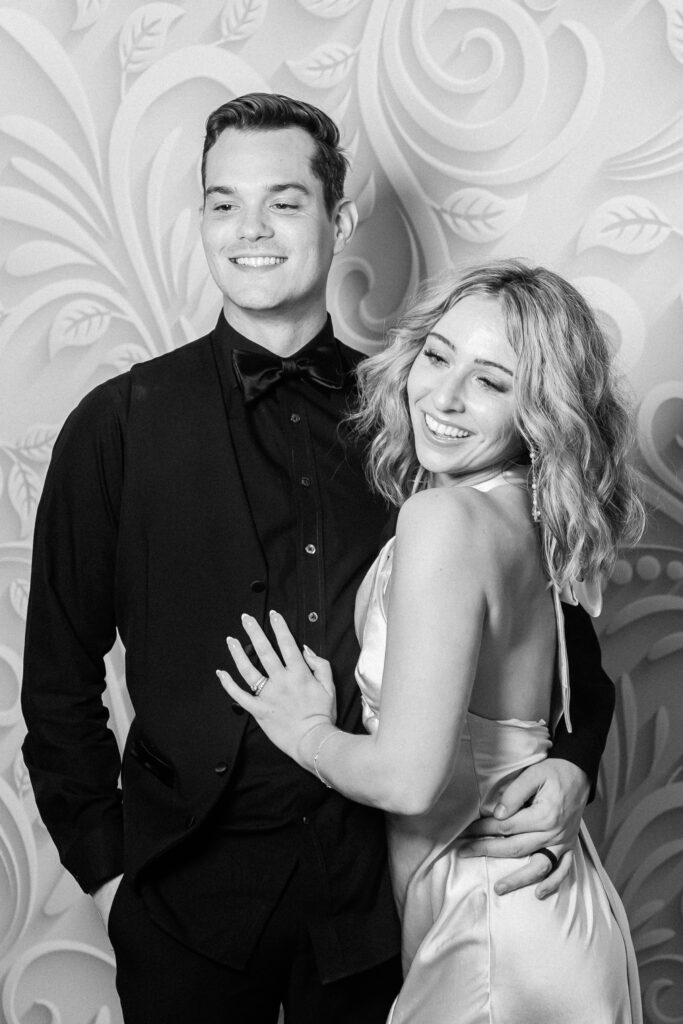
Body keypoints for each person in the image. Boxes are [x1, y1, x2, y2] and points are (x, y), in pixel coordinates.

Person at [22, 91, 613, 1024]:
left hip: (373, 903)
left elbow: (548, 625)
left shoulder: (419, 417)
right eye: (223, 203)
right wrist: (110, 883)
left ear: (336, 220)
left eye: (283, 202)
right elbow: (56, 682)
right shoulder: (118, 425)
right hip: (182, 911)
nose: (248, 230)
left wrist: (575, 758)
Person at [219, 260, 646, 1023]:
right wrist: (571, 765)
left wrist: (307, 731)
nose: (442, 397)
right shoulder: (537, 514)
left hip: (493, 928)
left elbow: (410, 782)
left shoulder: (443, 520)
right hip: (539, 907)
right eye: (438, 356)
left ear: (540, 409)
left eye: (490, 380)